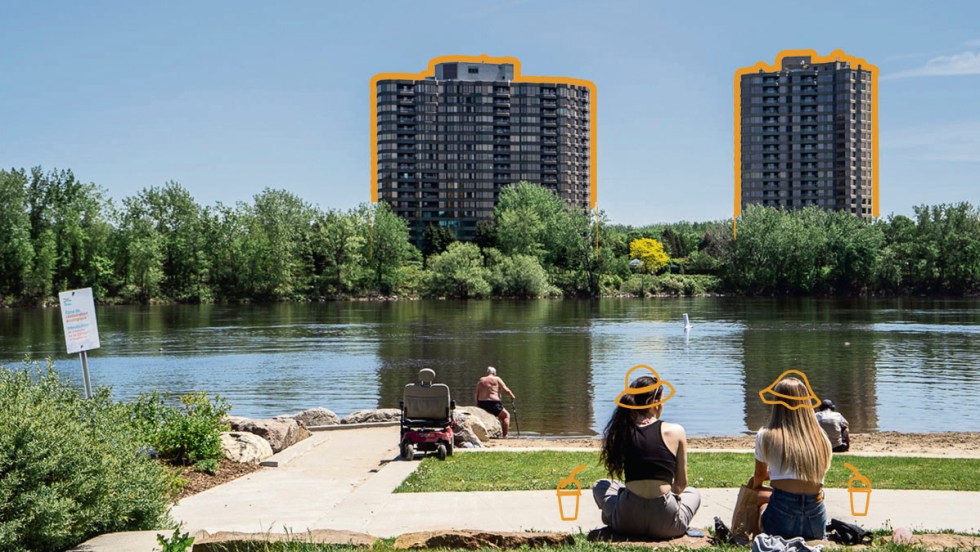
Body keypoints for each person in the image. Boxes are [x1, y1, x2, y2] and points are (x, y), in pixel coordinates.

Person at [593, 375, 700, 539]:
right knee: (693, 493)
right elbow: (680, 485)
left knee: (601, 485)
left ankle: (612, 517)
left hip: (627, 521)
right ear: (656, 403)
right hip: (667, 524)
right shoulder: (676, 431)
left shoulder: (623, 430)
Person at [752, 377, 833, 541]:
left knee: (757, 498)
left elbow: (759, 477)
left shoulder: (766, 436)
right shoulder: (822, 439)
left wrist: (756, 489)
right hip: (815, 522)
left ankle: (753, 536)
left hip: (780, 521)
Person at [473, 366, 515, 438]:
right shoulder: (497, 379)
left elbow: (476, 393)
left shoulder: (481, 380)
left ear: (487, 373)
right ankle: (505, 436)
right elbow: (506, 390)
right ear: (494, 373)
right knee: (506, 416)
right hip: (493, 403)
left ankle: (493, 433)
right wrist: (512, 396)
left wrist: (477, 404)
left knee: (495, 417)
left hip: (482, 403)